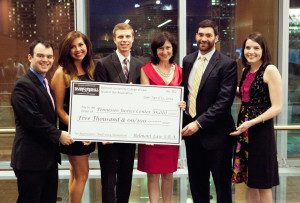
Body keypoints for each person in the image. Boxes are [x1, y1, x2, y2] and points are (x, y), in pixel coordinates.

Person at [10, 39, 74, 203]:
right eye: (40, 56)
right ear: (30, 57)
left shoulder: (45, 82)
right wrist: (59, 134)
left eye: (49, 56)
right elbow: (32, 119)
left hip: (48, 158)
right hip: (30, 160)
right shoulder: (22, 85)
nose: (45, 60)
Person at [181, 19, 237, 203]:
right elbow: (186, 92)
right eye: (200, 34)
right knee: (197, 185)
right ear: (196, 36)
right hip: (192, 137)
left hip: (218, 136)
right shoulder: (188, 60)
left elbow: (224, 102)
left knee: (222, 186)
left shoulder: (227, 64)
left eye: (208, 35)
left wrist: (198, 123)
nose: (204, 38)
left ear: (216, 38)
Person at [94, 23, 143, 203]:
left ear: (133, 38)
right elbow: (99, 99)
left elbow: (145, 97)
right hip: (108, 133)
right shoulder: (103, 64)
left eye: (127, 36)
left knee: (126, 176)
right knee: (108, 177)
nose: (124, 40)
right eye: (120, 37)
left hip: (129, 133)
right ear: (114, 39)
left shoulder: (140, 65)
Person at [230, 32, 282, 203]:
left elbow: (277, 107)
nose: (251, 51)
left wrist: (251, 122)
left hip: (261, 132)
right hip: (245, 132)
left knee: (263, 184)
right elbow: (245, 96)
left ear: (263, 50)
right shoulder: (246, 70)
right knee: (250, 182)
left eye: (256, 48)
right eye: (248, 47)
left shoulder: (270, 70)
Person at [137, 32, 185, 203]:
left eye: (168, 48)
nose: (164, 51)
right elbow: (144, 101)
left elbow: (184, 97)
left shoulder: (180, 71)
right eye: (161, 48)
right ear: (155, 50)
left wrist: (183, 104)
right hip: (152, 131)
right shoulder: (146, 70)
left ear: (173, 49)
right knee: (152, 175)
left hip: (170, 131)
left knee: (168, 174)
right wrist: (146, 132)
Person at [51, 31, 96, 203]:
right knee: (82, 175)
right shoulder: (61, 72)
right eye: (72, 46)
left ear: (87, 46)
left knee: (75, 173)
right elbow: (59, 110)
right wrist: (80, 130)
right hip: (73, 132)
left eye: (81, 45)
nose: (78, 49)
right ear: (66, 50)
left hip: (88, 132)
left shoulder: (90, 68)